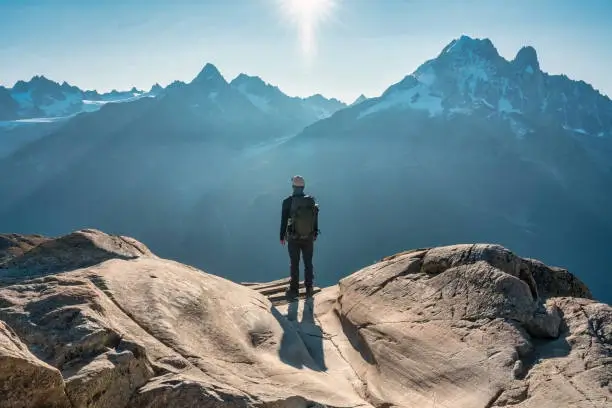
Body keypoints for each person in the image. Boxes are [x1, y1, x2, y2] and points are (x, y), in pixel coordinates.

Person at [280, 175, 319, 299]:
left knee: (294, 263)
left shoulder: (287, 201)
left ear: (293, 186)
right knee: (308, 262)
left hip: (293, 238)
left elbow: (284, 220)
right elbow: (314, 217)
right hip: (308, 237)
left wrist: (282, 236)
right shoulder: (311, 200)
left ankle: (294, 290)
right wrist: (315, 233)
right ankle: (309, 288)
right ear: (303, 187)